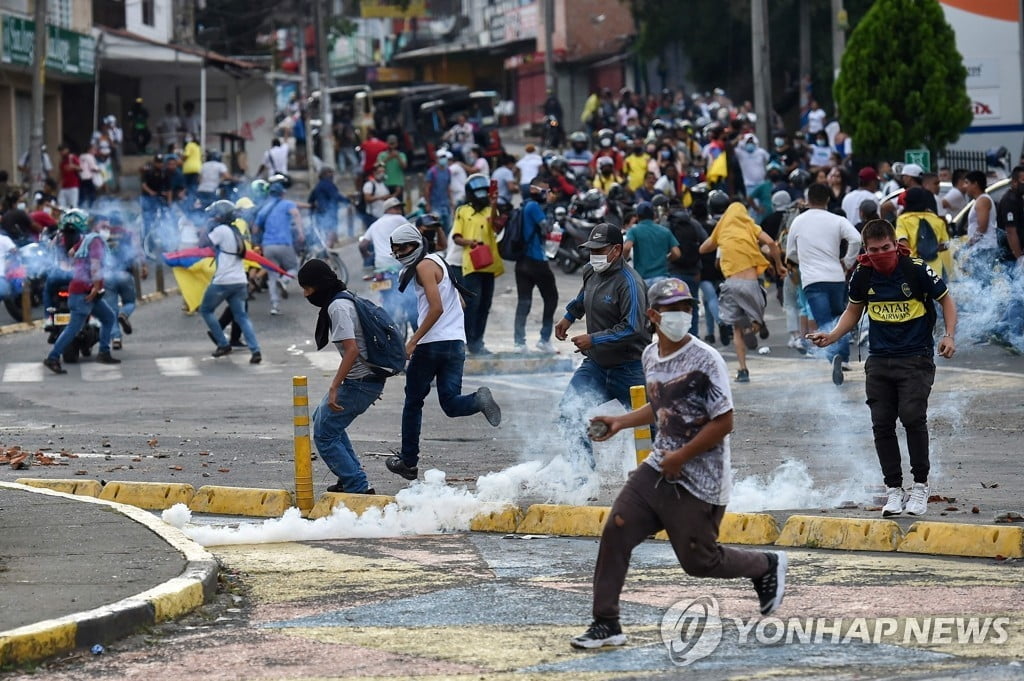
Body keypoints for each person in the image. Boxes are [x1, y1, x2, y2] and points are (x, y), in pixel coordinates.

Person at [570, 277, 786, 650]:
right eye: (673, 310)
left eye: (686, 308)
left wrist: (682, 457)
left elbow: (725, 421)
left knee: (699, 562)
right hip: (658, 467)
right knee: (616, 531)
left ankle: (765, 565)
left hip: (700, 478)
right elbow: (661, 404)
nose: (682, 315)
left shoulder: (706, 359)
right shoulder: (651, 355)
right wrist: (621, 422)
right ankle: (606, 623)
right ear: (654, 316)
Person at [809, 219, 956, 517]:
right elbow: (853, 310)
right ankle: (893, 490)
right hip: (879, 359)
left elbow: (946, 301)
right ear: (865, 250)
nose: (880, 254)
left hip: (916, 357)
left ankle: (920, 487)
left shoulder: (915, 268)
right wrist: (833, 336)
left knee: (913, 417)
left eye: (886, 248)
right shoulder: (863, 273)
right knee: (882, 423)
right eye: (874, 249)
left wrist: (949, 335)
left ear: (895, 244)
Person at [385, 223, 502, 482]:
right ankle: (478, 400)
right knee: (450, 403)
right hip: (455, 343)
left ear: (416, 244)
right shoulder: (437, 261)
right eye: (396, 250)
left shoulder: (423, 267)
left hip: (431, 344)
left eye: (404, 247)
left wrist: (413, 341)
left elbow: (436, 308)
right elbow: (458, 301)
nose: (401, 253)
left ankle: (408, 462)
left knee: (413, 402)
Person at [554, 223, 650, 468]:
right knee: (569, 414)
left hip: (629, 369)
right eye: (591, 250)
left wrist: (593, 339)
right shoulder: (590, 271)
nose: (594, 255)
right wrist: (569, 316)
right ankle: (583, 479)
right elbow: (583, 297)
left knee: (650, 428)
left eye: (599, 250)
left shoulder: (630, 283)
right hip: (596, 365)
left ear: (616, 250)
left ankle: (663, 483)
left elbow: (632, 327)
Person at [299, 258, 382, 494]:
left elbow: (352, 349)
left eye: (307, 288)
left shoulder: (337, 307)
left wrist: (335, 386)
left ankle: (357, 485)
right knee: (323, 418)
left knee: (324, 434)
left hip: (361, 381)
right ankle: (351, 478)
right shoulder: (342, 298)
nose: (305, 295)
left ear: (319, 285)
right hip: (363, 380)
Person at [699, 191, 785, 383]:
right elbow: (771, 242)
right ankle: (753, 328)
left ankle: (743, 369)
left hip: (730, 284)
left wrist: (718, 238)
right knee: (756, 319)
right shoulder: (749, 226)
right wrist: (778, 265)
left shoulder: (722, 228)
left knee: (736, 329)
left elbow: (703, 248)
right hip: (751, 283)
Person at [785, 182, 861, 385]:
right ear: (828, 199)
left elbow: (790, 252)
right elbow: (856, 238)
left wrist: (804, 259)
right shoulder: (837, 220)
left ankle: (834, 355)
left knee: (824, 320)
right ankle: (842, 357)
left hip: (812, 280)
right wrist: (847, 261)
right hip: (836, 277)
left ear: (808, 199)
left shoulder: (798, 221)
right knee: (839, 317)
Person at [42, 210, 121, 375]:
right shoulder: (95, 242)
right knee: (73, 328)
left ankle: (104, 352)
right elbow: (96, 268)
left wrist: (78, 265)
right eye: (104, 224)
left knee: (108, 317)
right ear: (96, 226)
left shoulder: (86, 240)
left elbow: (71, 253)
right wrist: (96, 288)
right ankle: (53, 357)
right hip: (83, 292)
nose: (107, 227)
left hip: (83, 290)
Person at [198, 200, 262, 363]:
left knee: (205, 309)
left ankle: (223, 343)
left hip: (223, 280)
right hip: (240, 280)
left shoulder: (221, 230)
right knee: (242, 317)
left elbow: (203, 243)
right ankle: (255, 350)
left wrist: (207, 226)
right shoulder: (236, 231)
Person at [451, 174, 503, 355]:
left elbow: (495, 227)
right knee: (473, 303)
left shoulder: (490, 210)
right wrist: (469, 242)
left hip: (490, 263)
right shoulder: (462, 211)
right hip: (471, 264)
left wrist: (494, 202)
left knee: (485, 304)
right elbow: (456, 238)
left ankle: (478, 342)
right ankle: (466, 341)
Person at [359, 196, 418, 332]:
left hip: (381, 268)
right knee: (410, 299)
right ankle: (417, 334)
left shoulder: (375, 224)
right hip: (398, 264)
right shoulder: (399, 219)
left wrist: (368, 256)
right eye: (398, 208)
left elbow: (362, 245)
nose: (400, 211)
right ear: (390, 209)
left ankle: (387, 328)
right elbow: (415, 236)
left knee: (386, 299)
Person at [513, 181, 559, 353]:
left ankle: (519, 343)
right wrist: (551, 206)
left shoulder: (525, 205)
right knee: (551, 297)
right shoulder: (534, 207)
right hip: (536, 260)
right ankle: (544, 339)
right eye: (546, 191)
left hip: (522, 262)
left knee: (524, 302)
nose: (548, 194)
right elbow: (547, 228)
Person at [252, 180, 303, 315]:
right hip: (284, 243)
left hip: (268, 245)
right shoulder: (287, 204)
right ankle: (285, 279)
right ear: (283, 193)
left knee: (272, 275)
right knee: (293, 267)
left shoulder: (265, 208)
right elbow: (296, 214)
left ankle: (275, 306)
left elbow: (255, 229)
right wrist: (300, 232)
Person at [896, 187, 953, 279]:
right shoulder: (937, 220)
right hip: (935, 273)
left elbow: (903, 244)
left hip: (914, 270)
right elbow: (945, 245)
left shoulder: (903, 219)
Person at [623, 201, 680, 285]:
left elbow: (627, 247)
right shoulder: (665, 231)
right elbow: (677, 253)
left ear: (638, 217)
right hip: (662, 278)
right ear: (654, 215)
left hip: (642, 279)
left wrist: (623, 263)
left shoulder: (634, 230)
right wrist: (665, 259)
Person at [997, 165, 1024, 264]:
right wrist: (1019, 258)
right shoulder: (1009, 201)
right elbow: (1010, 231)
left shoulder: (1018, 199)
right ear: (1014, 182)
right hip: (1010, 258)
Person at [381, 135, 408, 202]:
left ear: (397, 144)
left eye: (393, 144)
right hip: (386, 184)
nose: (391, 146)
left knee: (398, 205)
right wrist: (388, 158)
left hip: (398, 184)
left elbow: (404, 167)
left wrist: (398, 157)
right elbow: (379, 166)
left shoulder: (401, 155)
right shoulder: (382, 155)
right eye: (390, 144)